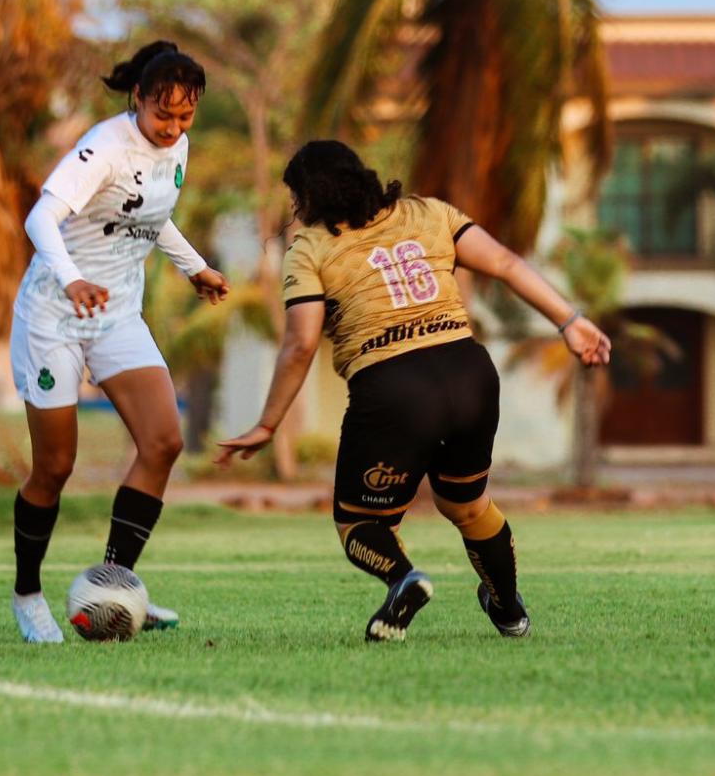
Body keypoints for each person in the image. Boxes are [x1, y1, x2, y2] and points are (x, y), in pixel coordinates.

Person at [216, 140, 610, 642]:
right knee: (467, 505)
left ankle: (405, 579)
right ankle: (509, 610)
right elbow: (508, 262)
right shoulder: (428, 212)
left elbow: (300, 344)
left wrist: (267, 423)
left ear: (307, 198)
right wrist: (570, 321)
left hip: (393, 387)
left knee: (358, 521)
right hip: (468, 371)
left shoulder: (310, 247)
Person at [7, 41, 230, 643]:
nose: (174, 128)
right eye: (164, 115)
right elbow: (40, 219)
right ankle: (28, 595)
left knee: (163, 440)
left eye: (186, 117)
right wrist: (72, 278)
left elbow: (151, 218)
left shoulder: (177, 146)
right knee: (54, 466)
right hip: (54, 315)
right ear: (138, 98)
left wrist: (195, 267)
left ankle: (114, 586)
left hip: (116, 315)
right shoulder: (104, 146)